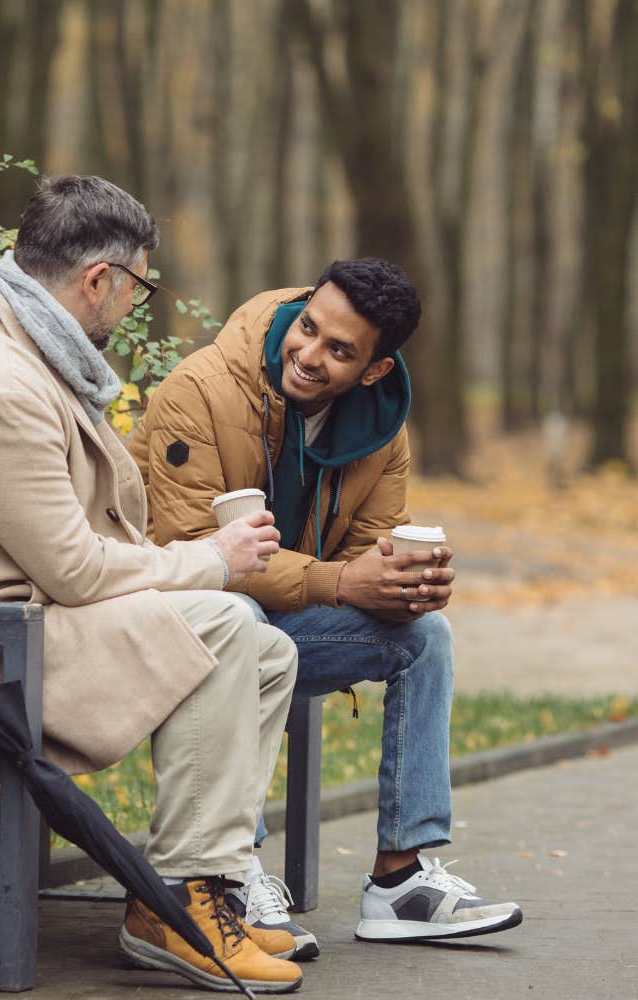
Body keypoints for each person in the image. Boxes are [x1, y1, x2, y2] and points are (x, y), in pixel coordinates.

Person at [0, 175, 305, 994]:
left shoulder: (30, 350)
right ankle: (173, 906)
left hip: (22, 626)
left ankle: (204, 882)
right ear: (98, 280)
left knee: (268, 651)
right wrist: (211, 559)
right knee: (228, 621)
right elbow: (73, 569)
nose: (136, 306)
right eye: (138, 287)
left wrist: (202, 570)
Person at [130, 258, 523, 954]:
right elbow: (187, 555)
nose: (308, 355)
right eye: (308, 328)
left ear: (373, 369)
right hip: (177, 623)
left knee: (427, 635)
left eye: (339, 350)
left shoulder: (380, 429)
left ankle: (400, 882)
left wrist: (404, 587)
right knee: (238, 623)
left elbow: (369, 554)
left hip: (282, 621)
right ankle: (227, 871)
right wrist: (340, 584)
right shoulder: (199, 389)